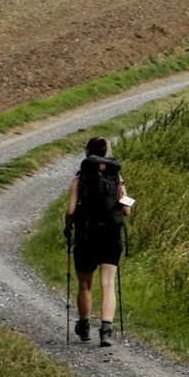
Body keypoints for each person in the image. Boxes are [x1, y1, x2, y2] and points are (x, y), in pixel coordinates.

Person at [63, 137, 131, 347]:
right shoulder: (116, 177)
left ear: (87, 153)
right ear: (106, 152)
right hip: (110, 234)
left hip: (86, 235)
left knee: (85, 284)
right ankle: (106, 330)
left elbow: (70, 211)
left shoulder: (79, 178)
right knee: (108, 283)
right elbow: (127, 210)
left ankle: (84, 326)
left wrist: (68, 228)